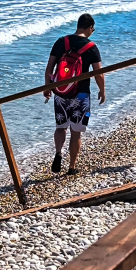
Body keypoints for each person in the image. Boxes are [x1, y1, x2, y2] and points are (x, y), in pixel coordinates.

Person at [43, 13, 105, 175]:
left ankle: (58, 153)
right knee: (75, 132)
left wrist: (47, 87)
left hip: (61, 92)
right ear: (90, 28)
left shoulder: (61, 42)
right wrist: (102, 90)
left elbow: (49, 68)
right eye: (93, 29)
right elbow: (99, 73)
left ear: (78, 25)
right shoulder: (91, 47)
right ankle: (72, 167)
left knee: (60, 127)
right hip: (81, 94)